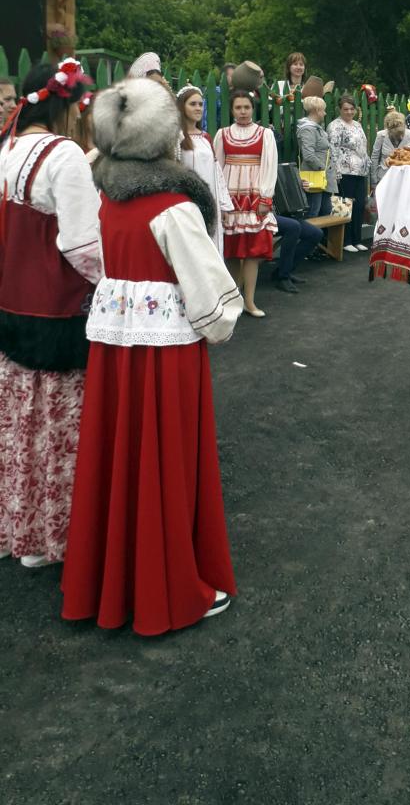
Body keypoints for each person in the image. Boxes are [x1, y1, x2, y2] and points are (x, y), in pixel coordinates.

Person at [61, 78, 241, 634]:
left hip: (115, 350)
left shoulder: (107, 202)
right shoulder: (173, 208)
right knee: (165, 458)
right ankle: (168, 588)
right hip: (167, 357)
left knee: (119, 457)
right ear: (165, 136)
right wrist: (218, 320)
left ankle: (110, 582)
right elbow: (214, 304)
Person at [0, 61, 101, 569]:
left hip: (12, 304)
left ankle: (23, 527)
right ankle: (53, 535)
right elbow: (82, 244)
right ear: (66, 105)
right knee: (59, 424)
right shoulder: (64, 155)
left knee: (22, 423)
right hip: (57, 311)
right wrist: (113, 280)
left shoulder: (7, 148)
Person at [214, 89, 278, 317]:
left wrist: (265, 198)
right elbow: (217, 170)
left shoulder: (264, 134)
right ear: (232, 110)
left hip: (253, 199)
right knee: (232, 253)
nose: (242, 112)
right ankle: (233, 299)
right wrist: (220, 202)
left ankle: (249, 301)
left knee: (251, 253)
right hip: (231, 200)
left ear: (253, 109)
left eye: (247, 107)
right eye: (238, 107)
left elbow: (270, 167)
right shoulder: (222, 135)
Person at [175, 85, 234, 255]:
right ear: (182, 106)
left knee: (211, 247)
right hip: (188, 203)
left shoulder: (206, 137)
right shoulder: (176, 137)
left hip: (211, 201)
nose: (198, 108)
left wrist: (223, 205)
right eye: (192, 104)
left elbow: (217, 173)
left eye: (200, 104)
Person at [327, 94, 370, 252]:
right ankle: (345, 241)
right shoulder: (335, 126)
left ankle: (357, 239)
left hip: (360, 170)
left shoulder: (357, 125)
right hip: (344, 171)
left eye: (352, 109)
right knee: (344, 205)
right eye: (346, 109)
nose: (349, 112)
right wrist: (336, 171)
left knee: (359, 205)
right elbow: (333, 149)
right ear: (339, 109)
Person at [297, 95, 337, 220]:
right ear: (317, 110)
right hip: (315, 177)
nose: (325, 113)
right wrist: (322, 168)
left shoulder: (315, 128)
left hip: (322, 178)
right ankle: (311, 239)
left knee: (325, 212)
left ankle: (321, 239)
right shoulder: (308, 129)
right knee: (313, 213)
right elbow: (308, 155)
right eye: (323, 110)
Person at [371, 109, 410, 186]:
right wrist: (374, 180)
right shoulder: (381, 135)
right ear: (388, 128)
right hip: (384, 177)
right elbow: (375, 157)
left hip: (406, 178)